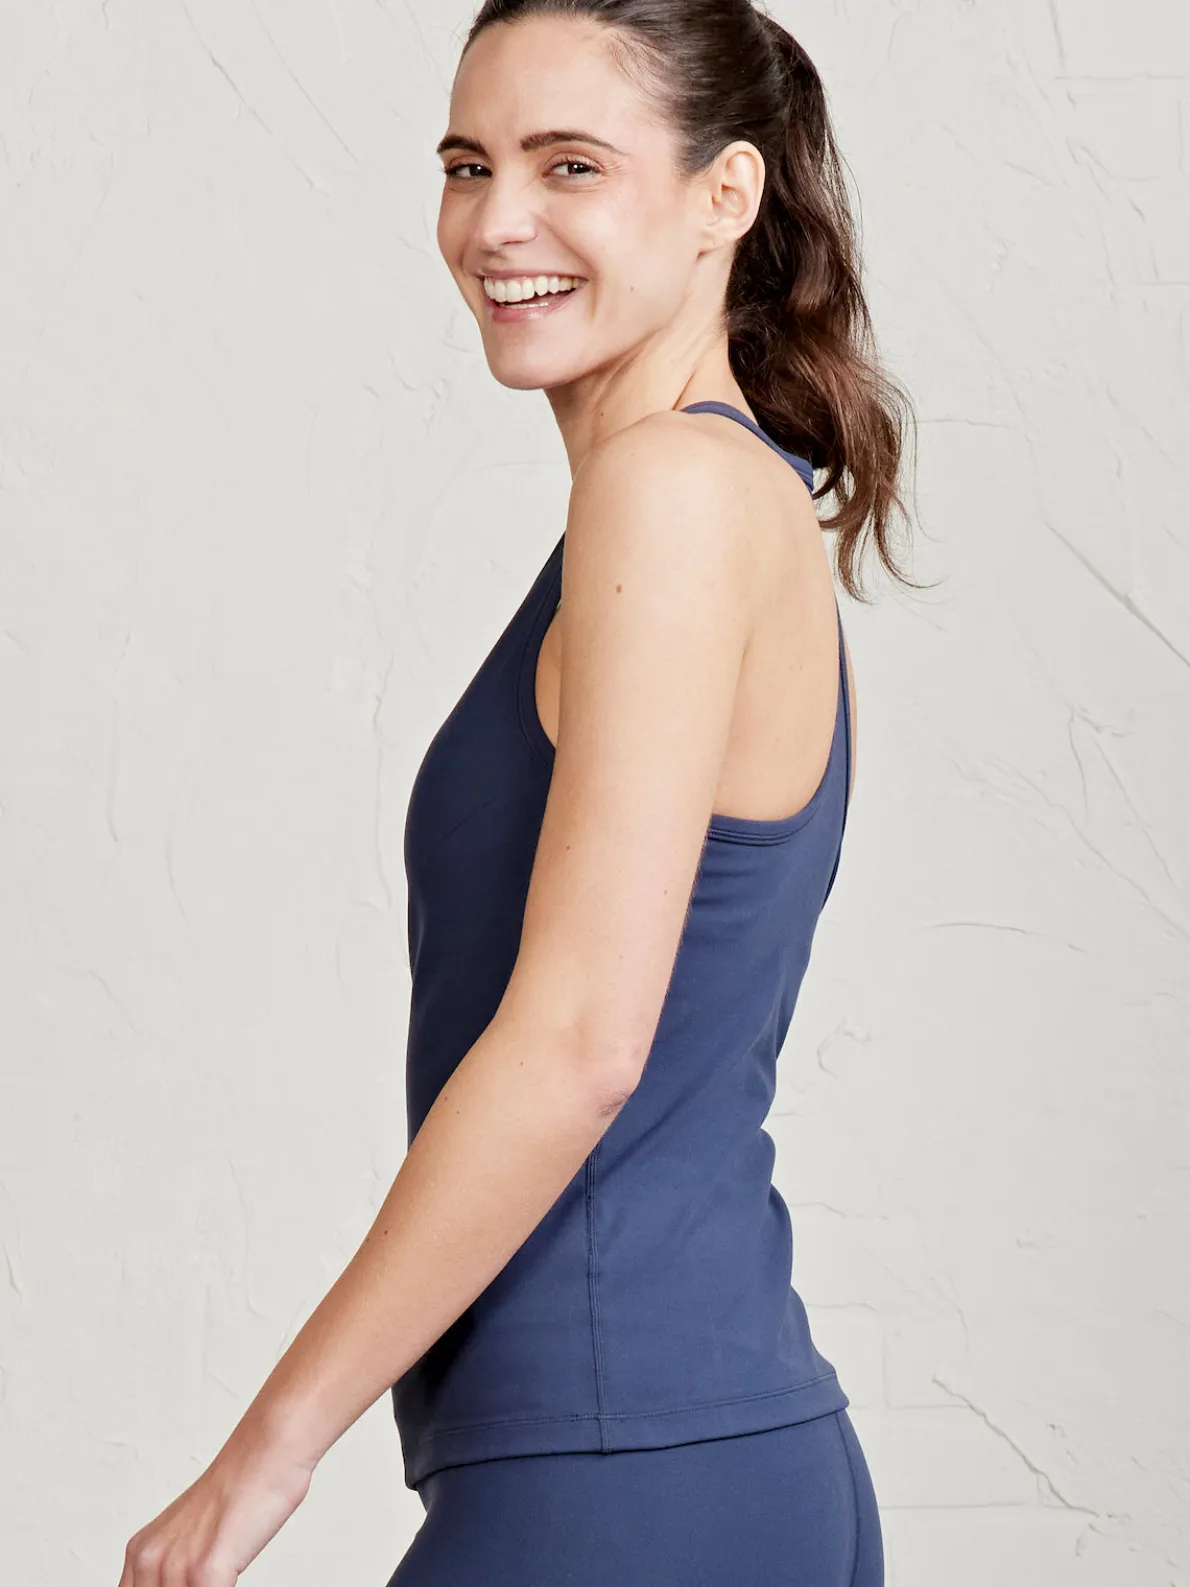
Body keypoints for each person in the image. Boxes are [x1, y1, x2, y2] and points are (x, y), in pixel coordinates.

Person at [118, 3, 922, 1584]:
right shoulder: (720, 491)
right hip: (705, 1460)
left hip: (621, 1479)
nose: (496, 223)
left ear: (725, 195)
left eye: (569, 165)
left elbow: (577, 1046)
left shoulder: (669, 491)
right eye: (466, 164)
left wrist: (260, 1459)